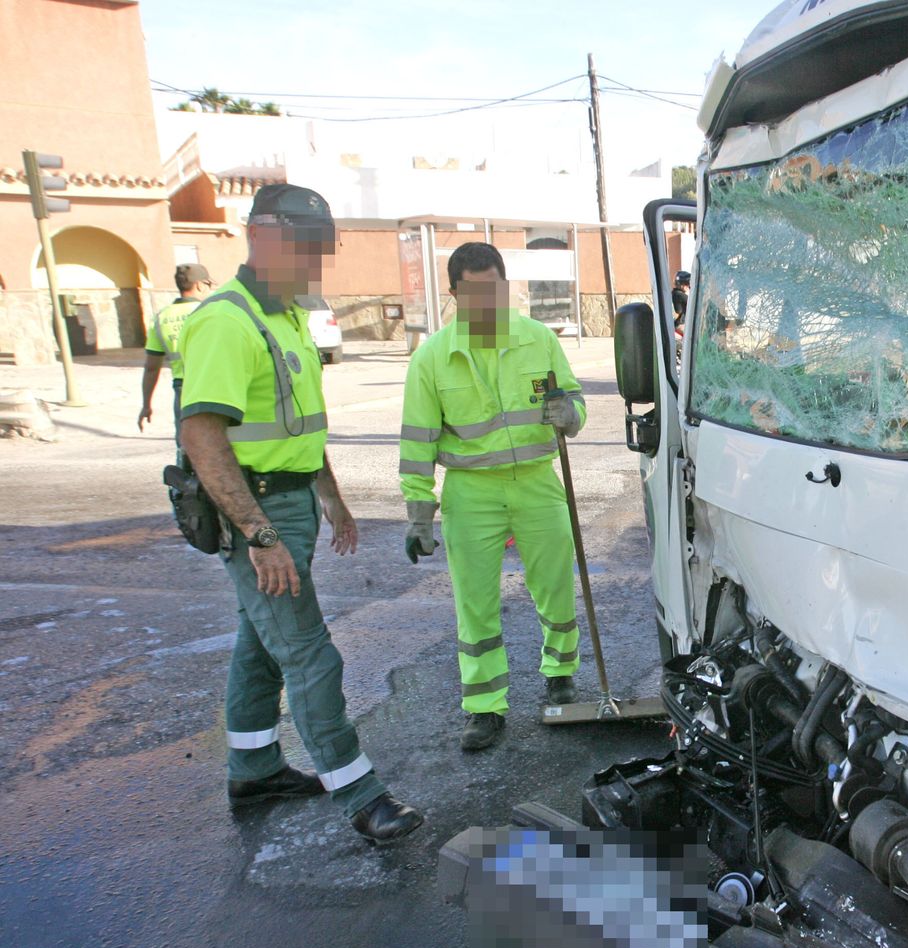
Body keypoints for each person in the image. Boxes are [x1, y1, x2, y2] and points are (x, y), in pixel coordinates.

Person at [178, 183, 424, 844]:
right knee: (312, 656)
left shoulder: (285, 318)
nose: (313, 263)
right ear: (259, 236)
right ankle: (362, 796)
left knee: (260, 645)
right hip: (255, 510)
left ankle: (254, 768)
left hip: (291, 500)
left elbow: (296, 429)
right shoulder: (226, 320)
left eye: (321, 250)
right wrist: (257, 534)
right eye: (302, 247)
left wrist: (332, 498)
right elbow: (203, 436)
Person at [399, 241, 586, 752]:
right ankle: (484, 705)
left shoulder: (538, 339)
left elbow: (572, 398)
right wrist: (419, 514)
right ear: (455, 294)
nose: (486, 303)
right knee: (476, 603)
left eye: (495, 290)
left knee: (555, 586)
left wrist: (570, 414)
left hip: (536, 481)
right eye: (474, 293)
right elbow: (417, 442)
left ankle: (561, 672)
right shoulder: (433, 358)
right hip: (471, 491)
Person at [138, 263, 212, 444]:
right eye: (209, 285)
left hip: (182, 388)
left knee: (187, 444)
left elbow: (151, 367)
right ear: (201, 285)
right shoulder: (210, 312)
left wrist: (146, 404)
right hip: (211, 383)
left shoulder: (162, 318)